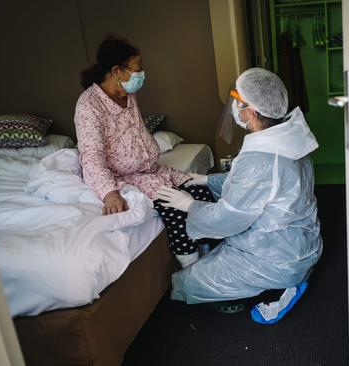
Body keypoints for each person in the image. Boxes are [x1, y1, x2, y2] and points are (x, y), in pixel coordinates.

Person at [156, 67, 323, 324]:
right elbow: (257, 186)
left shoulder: (260, 158)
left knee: (185, 284)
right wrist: (206, 179)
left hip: (275, 257)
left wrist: (189, 206)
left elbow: (228, 218)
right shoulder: (289, 139)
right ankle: (295, 276)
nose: (234, 107)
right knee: (215, 256)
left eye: (238, 101)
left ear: (252, 112)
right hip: (302, 242)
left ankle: (285, 287)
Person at [75, 36, 215, 267]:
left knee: (202, 194)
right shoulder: (89, 105)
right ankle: (193, 269)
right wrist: (110, 194)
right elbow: (91, 157)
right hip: (127, 178)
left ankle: (210, 255)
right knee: (176, 211)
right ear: (117, 71)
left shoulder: (127, 94)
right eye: (137, 70)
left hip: (151, 170)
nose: (143, 74)